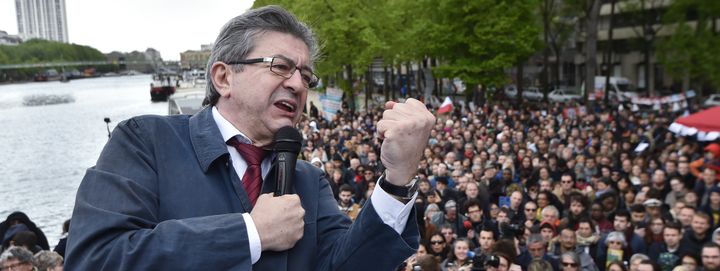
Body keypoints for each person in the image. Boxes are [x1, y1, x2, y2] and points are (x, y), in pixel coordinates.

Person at [66, 6, 435, 270]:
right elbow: (96, 258)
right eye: (280, 66)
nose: (297, 84)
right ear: (224, 78)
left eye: (306, 76)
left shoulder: (308, 178)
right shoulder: (146, 141)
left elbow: (351, 264)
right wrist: (250, 233)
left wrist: (398, 177)